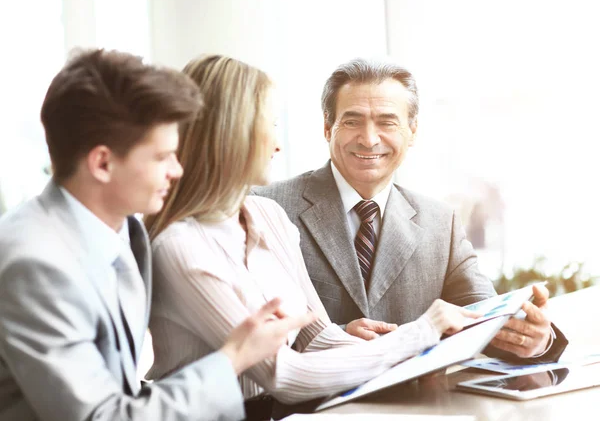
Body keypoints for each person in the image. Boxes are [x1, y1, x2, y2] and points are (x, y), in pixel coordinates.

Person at [143, 54, 480, 419]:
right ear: (231, 133)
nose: (277, 144)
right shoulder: (180, 246)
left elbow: (317, 338)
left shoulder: (266, 215)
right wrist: (420, 334)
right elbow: (283, 375)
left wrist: (414, 346)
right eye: (269, 124)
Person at [0, 49, 316, 421]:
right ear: (102, 163)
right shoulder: (35, 264)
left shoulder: (125, 231)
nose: (177, 170)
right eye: (162, 157)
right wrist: (234, 357)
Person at [252, 58, 568, 362]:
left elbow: (483, 320)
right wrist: (336, 338)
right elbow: (244, 329)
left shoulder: (441, 223)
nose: (369, 139)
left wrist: (536, 339)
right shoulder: (265, 207)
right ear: (327, 128)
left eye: (387, 122)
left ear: (413, 131)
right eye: (352, 121)